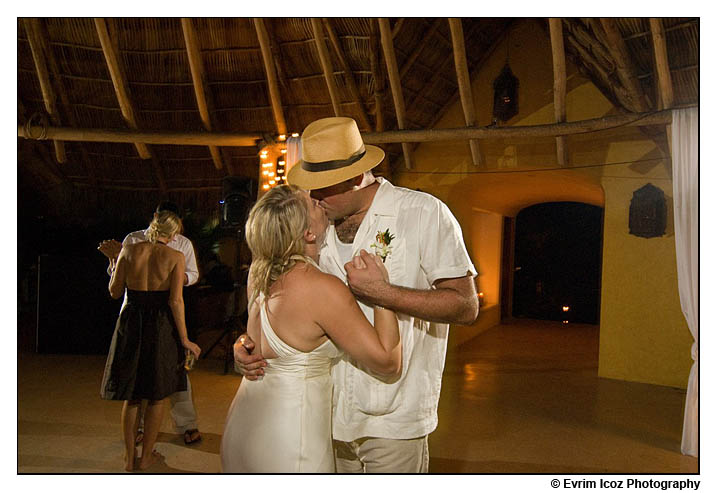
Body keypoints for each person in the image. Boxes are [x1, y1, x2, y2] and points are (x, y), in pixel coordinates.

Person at [234, 117, 479, 473]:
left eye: (322, 188)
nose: (313, 198)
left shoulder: (422, 214)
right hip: (323, 415)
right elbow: (285, 301)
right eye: (310, 187)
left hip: (393, 418)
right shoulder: (316, 223)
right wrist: (249, 343)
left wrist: (386, 294)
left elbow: (466, 305)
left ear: (354, 177)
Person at [220, 185, 400, 473]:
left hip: (245, 424)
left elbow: (258, 340)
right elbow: (388, 361)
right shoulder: (321, 288)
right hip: (291, 437)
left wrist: (241, 343)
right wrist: (381, 292)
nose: (320, 201)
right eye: (313, 204)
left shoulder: (258, 272)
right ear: (308, 233)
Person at [100, 210, 202, 471]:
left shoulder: (129, 250)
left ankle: (128, 458)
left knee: (131, 395)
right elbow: (175, 301)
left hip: (131, 322)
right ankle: (145, 459)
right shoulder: (176, 257)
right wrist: (185, 339)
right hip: (160, 325)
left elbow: (114, 293)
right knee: (157, 396)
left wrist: (114, 261)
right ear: (175, 233)